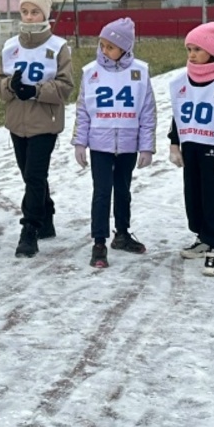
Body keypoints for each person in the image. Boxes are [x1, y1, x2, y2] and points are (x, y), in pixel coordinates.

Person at [0, 0, 75, 259]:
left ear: (45, 14)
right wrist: (10, 86)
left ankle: (29, 230)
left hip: (45, 122)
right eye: (25, 11)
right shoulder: (9, 46)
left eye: (35, 11)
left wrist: (36, 91)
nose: (29, 16)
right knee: (30, 176)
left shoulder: (58, 47)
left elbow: (65, 86)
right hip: (17, 121)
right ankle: (47, 215)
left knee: (35, 176)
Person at [72, 18, 155, 268]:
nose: (104, 50)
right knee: (101, 192)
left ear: (125, 48)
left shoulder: (140, 71)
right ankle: (99, 241)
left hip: (128, 144)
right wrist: (80, 142)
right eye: (102, 44)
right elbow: (83, 110)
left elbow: (148, 110)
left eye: (110, 46)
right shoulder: (91, 72)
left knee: (123, 191)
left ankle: (122, 233)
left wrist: (146, 146)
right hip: (100, 145)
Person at [167, 22, 214, 277]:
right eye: (189, 49)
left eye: (197, 49)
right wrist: (174, 143)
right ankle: (202, 238)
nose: (192, 54)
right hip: (191, 149)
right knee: (194, 198)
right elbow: (178, 115)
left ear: (212, 51)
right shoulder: (181, 82)